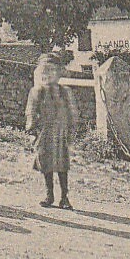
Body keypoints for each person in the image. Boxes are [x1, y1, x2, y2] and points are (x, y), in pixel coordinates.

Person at [26, 54, 76, 209]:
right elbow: (31, 113)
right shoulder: (37, 92)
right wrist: (32, 131)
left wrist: (71, 131)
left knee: (62, 164)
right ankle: (49, 195)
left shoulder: (64, 92)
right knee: (46, 163)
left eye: (52, 71)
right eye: (45, 71)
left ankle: (64, 197)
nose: (48, 74)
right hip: (45, 133)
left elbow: (71, 113)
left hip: (60, 133)